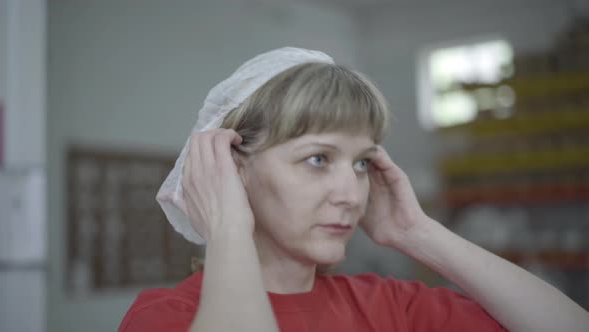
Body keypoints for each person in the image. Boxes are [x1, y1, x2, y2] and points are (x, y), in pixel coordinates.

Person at [118, 47, 588, 332]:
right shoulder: (166, 318)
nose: (351, 192)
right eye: (318, 159)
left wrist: (417, 232)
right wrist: (228, 231)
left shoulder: (391, 307)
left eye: (362, 162)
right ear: (233, 168)